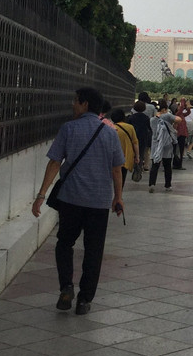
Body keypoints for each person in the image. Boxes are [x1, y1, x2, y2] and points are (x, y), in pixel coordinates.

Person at [31, 88, 124, 316]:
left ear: (84, 104)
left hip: (70, 200)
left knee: (64, 243)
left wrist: (42, 194)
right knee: (94, 251)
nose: (73, 104)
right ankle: (84, 300)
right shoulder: (110, 133)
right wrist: (118, 197)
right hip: (99, 202)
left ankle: (66, 287)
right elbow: (116, 168)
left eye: (75, 101)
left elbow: (54, 163)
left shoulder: (69, 129)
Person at [105, 107, 138, 187]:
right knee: (122, 176)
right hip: (126, 156)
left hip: (112, 156)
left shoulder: (110, 128)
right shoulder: (130, 127)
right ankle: (119, 194)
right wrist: (137, 156)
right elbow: (135, 143)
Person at [148, 103, 177, 192]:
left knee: (155, 165)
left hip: (156, 144)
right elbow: (178, 119)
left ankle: (152, 184)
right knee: (167, 165)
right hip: (167, 143)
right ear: (164, 109)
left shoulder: (152, 119)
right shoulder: (168, 116)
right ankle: (168, 185)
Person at [127, 100, 153, 175]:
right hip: (143, 137)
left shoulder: (131, 117)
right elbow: (149, 127)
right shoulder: (146, 117)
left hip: (133, 136)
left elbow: (129, 126)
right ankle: (139, 167)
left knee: (133, 151)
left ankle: (133, 165)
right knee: (141, 153)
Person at [172, 99, 189, 170]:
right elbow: (182, 109)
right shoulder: (177, 114)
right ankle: (177, 163)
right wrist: (182, 101)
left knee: (180, 150)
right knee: (177, 149)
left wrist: (187, 106)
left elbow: (188, 112)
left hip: (182, 133)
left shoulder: (181, 114)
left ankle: (178, 164)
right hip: (179, 134)